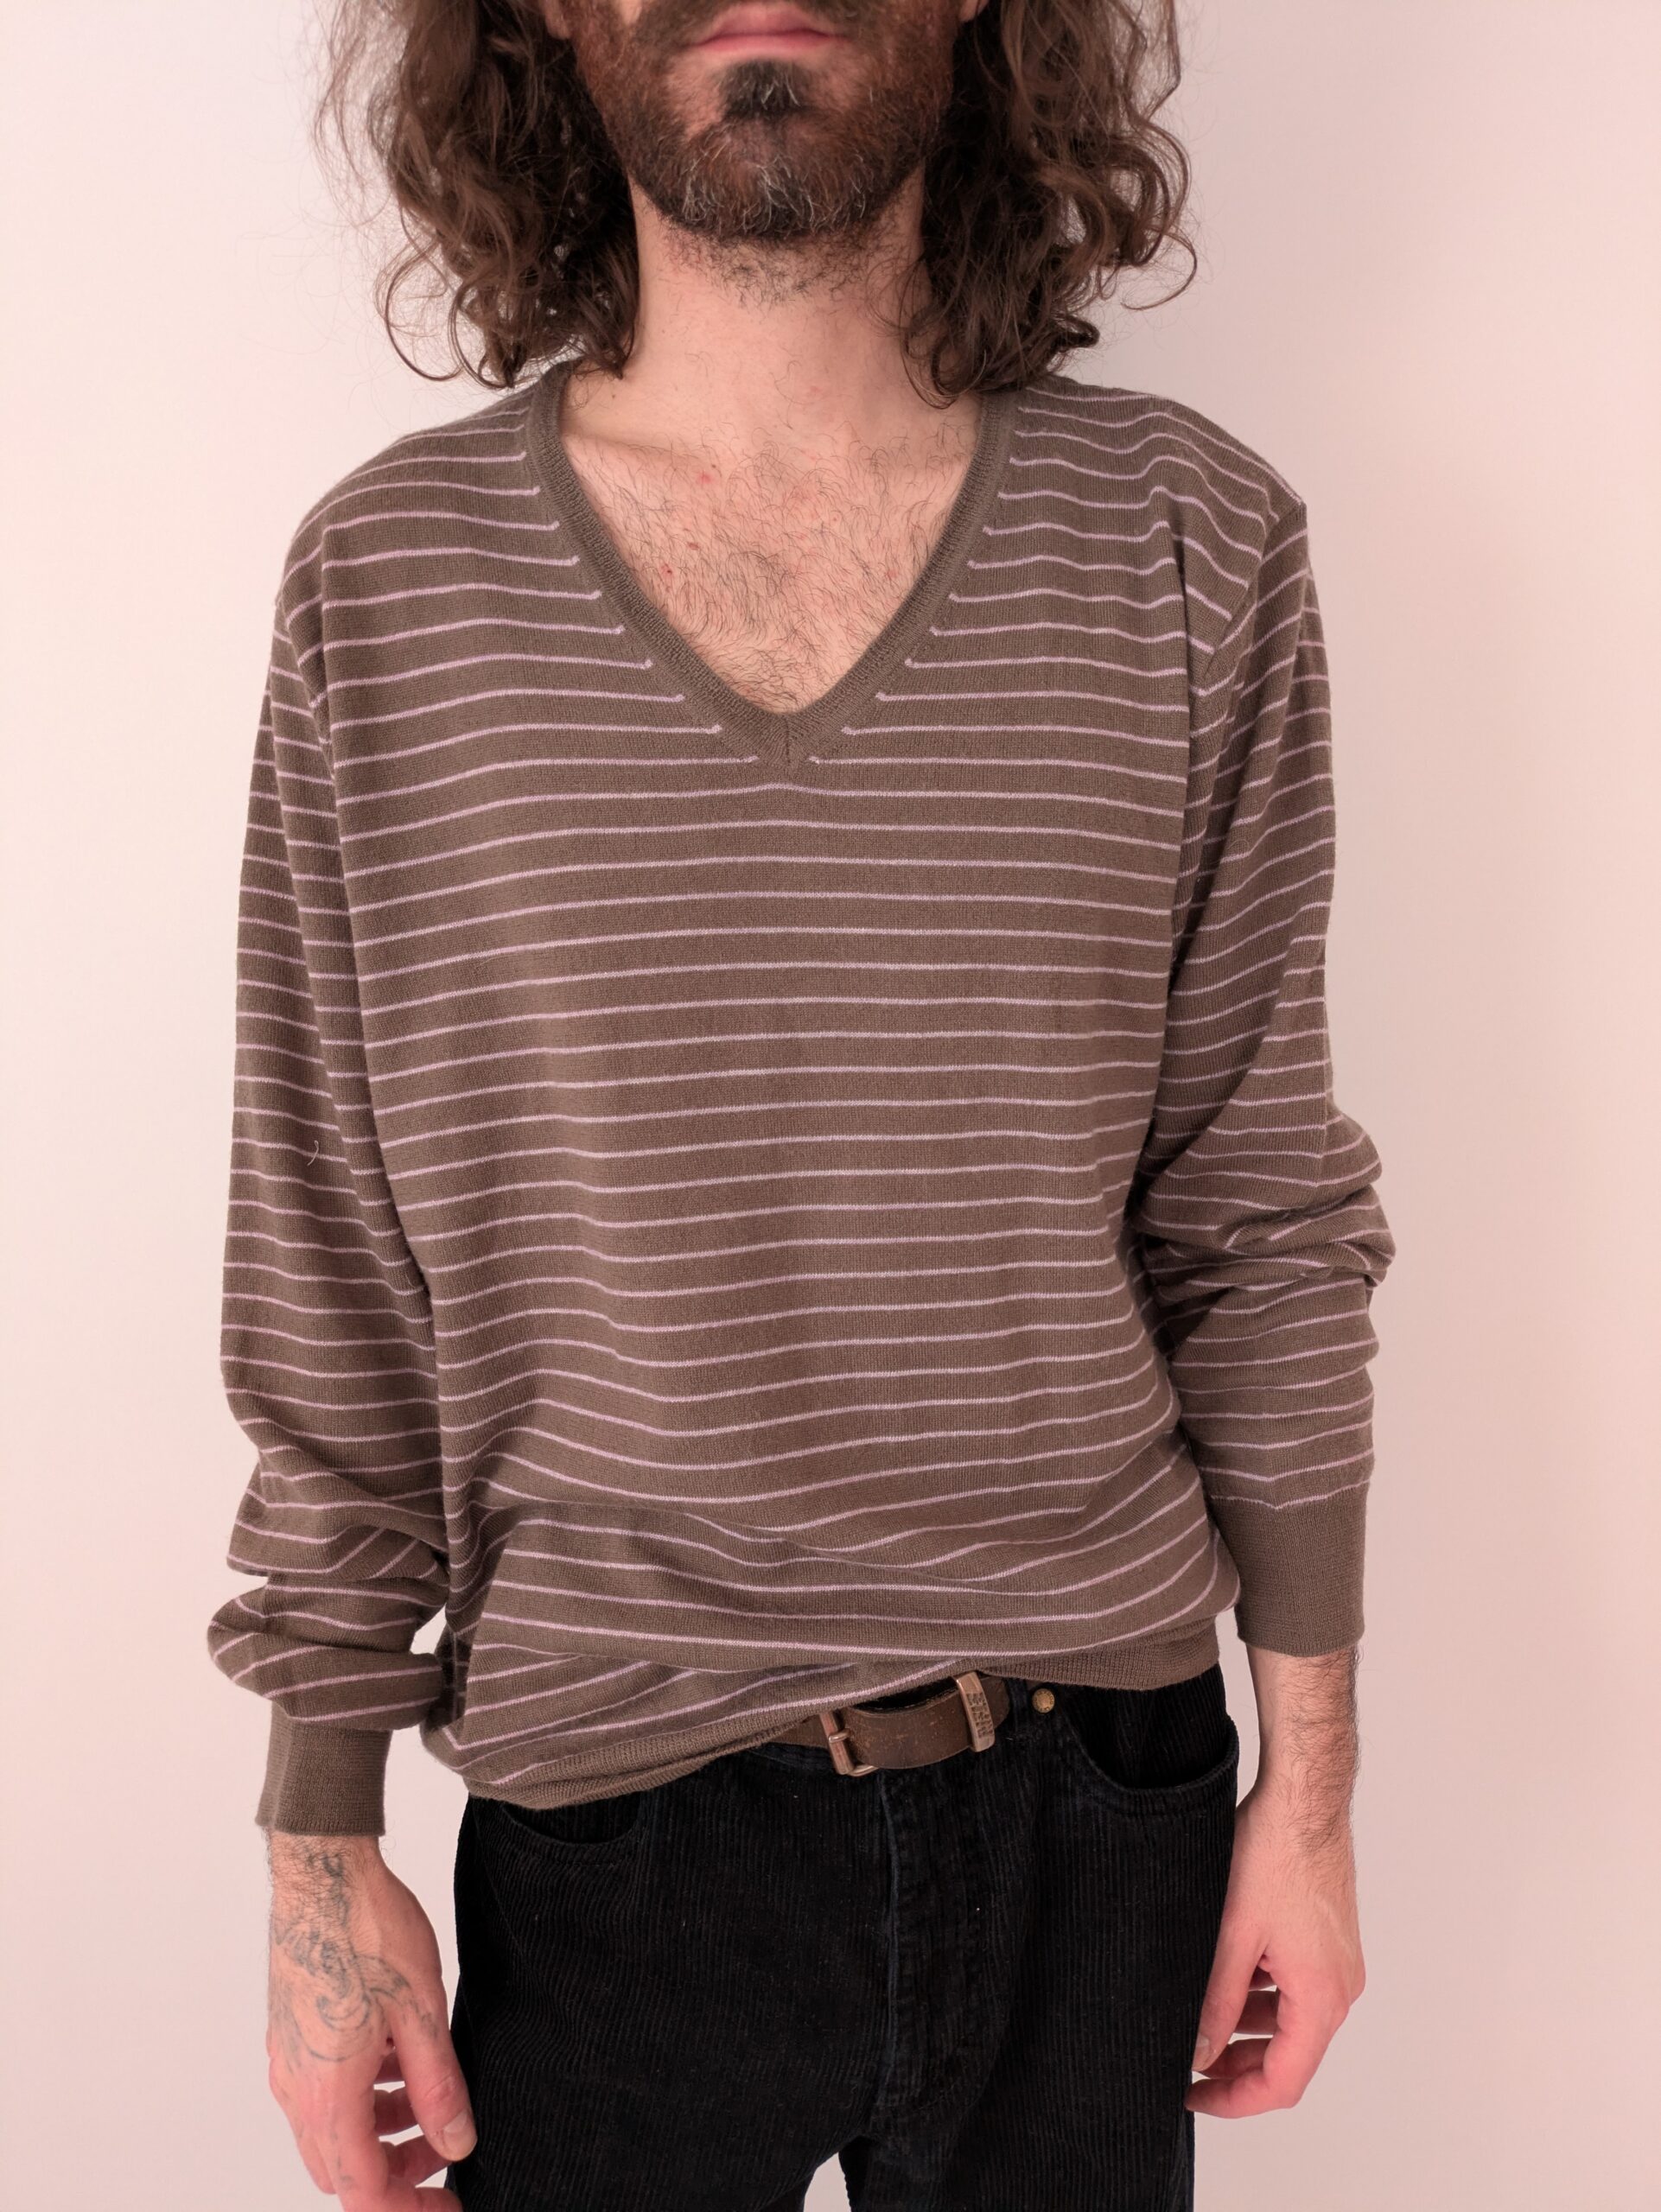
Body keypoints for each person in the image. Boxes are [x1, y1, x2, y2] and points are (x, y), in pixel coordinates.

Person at [206, 0, 1396, 2204]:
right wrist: (318, 1838)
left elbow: (1253, 1213)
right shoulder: (392, 586)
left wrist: (1305, 1794)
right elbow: (333, 1259)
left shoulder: (1187, 538)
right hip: (613, 1824)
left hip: (1102, 1795)